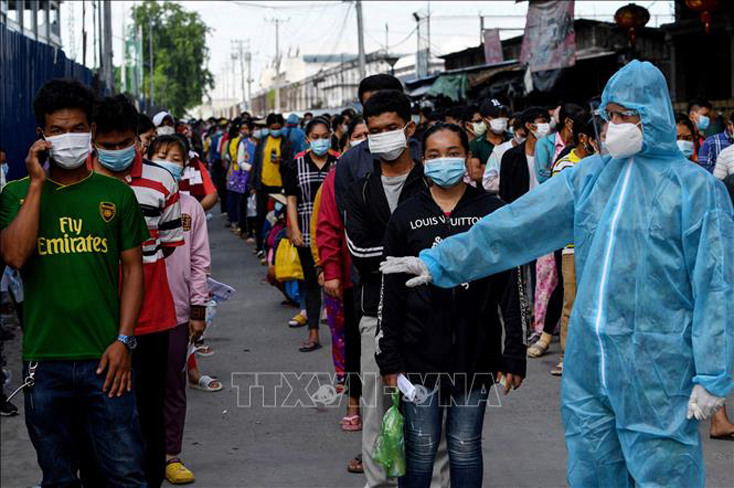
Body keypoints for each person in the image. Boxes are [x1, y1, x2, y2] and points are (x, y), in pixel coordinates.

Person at [381, 60, 734, 488]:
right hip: (589, 365)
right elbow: (517, 223)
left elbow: (717, 285)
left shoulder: (697, 190)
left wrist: (713, 373)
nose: (614, 126)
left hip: (657, 369)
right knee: (592, 467)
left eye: (627, 116)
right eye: (611, 116)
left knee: (663, 474)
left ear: (653, 117)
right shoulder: (590, 178)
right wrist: (441, 261)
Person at [0, 78, 147, 485]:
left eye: (78, 129)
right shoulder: (15, 195)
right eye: (58, 131)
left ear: (93, 132)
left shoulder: (115, 195)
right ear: (41, 136)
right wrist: (35, 184)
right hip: (45, 364)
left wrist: (125, 341)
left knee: (125, 475)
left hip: (108, 361)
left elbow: (135, 269)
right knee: (59, 478)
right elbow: (14, 255)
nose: (70, 138)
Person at [377, 122, 526, 487]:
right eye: (434, 155)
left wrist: (514, 353)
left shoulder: (492, 211)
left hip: (476, 353)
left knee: (464, 446)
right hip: (418, 355)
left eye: (453, 153)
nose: (444, 161)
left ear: (469, 158)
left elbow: (511, 287)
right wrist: (390, 358)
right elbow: (391, 293)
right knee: (422, 446)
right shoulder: (406, 215)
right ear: (421, 161)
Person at [344, 89, 448, 488]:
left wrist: (414, 254)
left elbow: (450, 245)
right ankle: (377, 484)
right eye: (375, 130)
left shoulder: (432, 180)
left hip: (433, 316)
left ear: (410, 127)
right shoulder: (360, 189)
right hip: (375, 317)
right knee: (376, 415)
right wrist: (418, 254)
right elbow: (361, 256)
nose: (384, 136)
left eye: (391, 127)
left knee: (430, 417)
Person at [92, 94, 184, 488]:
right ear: (93, 139)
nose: (115, 152)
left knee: (148, 411)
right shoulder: (79, 180)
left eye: (123, 143)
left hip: (152, 317)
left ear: (138, 139)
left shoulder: (163, 181)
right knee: (98, 413)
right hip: (95, 317)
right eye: (106, 145)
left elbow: (166, 244)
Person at [148, 135, 211, 484]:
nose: (168, 161)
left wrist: (198, 309)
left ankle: (171, 454)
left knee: (173, 384)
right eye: (161, 155)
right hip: (136, 313)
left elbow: (200, 261)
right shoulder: (132, 199)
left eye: (175, 157)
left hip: (177, 310)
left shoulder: (191, 208)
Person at [545, 114, 600, 375]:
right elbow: (560, 204)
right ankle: (567, 355)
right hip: (573, 246)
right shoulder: (566, 165)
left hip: (602, 244)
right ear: (584, 138)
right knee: (572, 301)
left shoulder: (607, 162)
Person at [284, 117, 338, 351]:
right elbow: (291, 199)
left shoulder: (339, 163)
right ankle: (313, 332)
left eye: (324, 136)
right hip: (306, 230)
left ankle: (340, 332)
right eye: (315, 137)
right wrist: (294, 228)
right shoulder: (296, 164)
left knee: (337, 281)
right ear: (307, 139)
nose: (320, 141)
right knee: (312, 283)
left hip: (334, 231)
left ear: (331, 136)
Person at [334, 73, 415, 214]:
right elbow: (345, 213)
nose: (379, 109)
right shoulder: (349, 161)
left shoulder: (426, 155)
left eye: (387, 102)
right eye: (371, 104)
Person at [252, 113, 293, 257]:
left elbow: (290, 165)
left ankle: (276, 248)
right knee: (261, 216)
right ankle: (259, 246)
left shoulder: (286, 143)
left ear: (281, 127)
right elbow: (256, 163)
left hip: (280, 186)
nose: (275, 130)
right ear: (268, 127)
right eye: (272, 127)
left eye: (278, 127)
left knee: (279, 217)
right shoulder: (263, 141)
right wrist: (253, 184)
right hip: (262, 185)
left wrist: (282, 161)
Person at [498, 106, 549, 204]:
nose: (546, 125)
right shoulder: (511, 157)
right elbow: (505, 192)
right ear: (529, 125)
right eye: (542, 121)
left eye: (547, 122)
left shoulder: (553, 153)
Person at [534, 102, 584, 184]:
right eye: (580, 123)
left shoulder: (579, 144)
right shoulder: (544, 143)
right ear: (568, 122)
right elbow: (541, 175)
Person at [482, 117, 527, 193]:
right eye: (522, 135)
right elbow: (487, 182)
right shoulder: (500, 151)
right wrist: (510, 182)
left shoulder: (537, 149)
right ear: (514, 131)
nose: (525, 139)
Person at [469, 99, 509, 168]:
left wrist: (487, 167)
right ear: (485, 120)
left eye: (503, 115)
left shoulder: (513, 140)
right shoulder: (476, 144)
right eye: (495, 116)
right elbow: (476, 174)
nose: (501, 119)